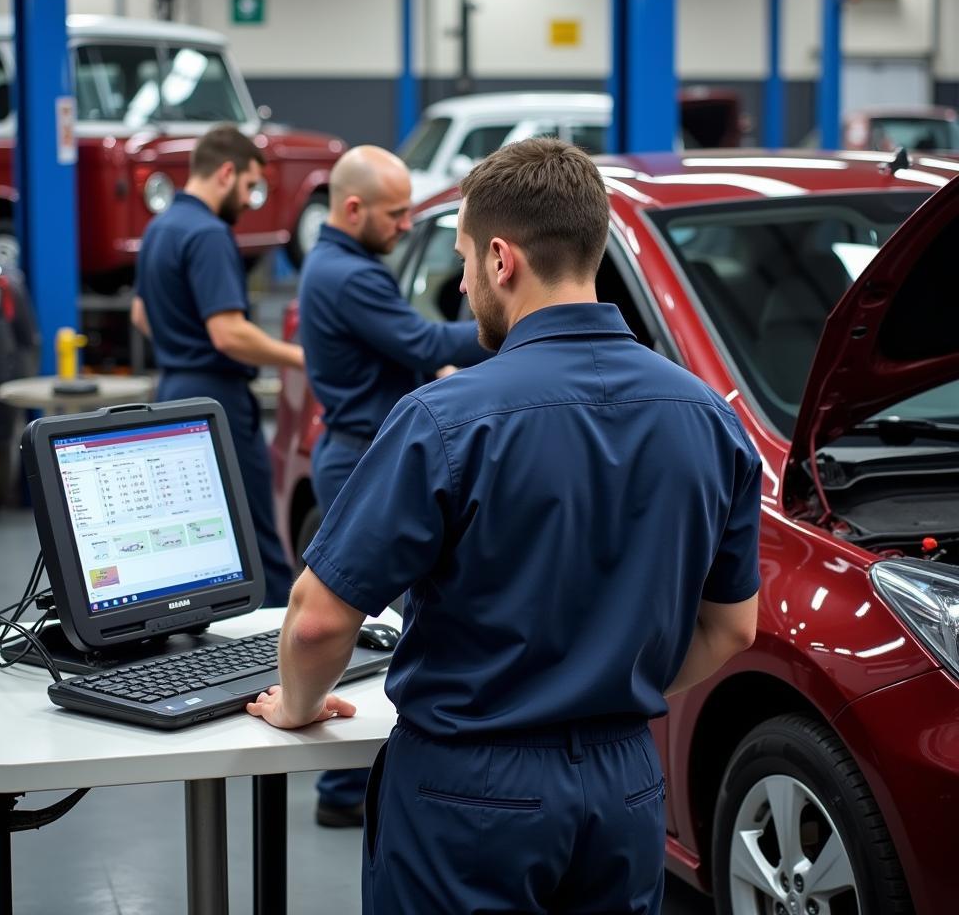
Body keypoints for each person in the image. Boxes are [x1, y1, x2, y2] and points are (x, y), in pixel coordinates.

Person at [247, 138, 760, 913]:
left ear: (499, 259)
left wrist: (295, 704)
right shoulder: (711, 421)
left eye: (460, 259)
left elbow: (318, 622)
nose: (459, 281)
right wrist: (604, 690)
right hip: (626, 788)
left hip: (469, 795)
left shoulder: (444, 422)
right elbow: (730, 631)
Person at [295, 143, 490, 827]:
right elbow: (424, 345)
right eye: (397, 212)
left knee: (378, 626)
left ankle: (350, 786)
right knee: (377, 631)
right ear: (353, 208)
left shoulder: (338, 264)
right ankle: (346, 792)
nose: (408, 225)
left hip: (354, 447)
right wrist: (521, 326)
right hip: (362, 456)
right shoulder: (350, 277)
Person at [131, 124, 303, 608]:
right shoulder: (208, 233)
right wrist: (300, 358)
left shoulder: (159, 227)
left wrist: (180, 344)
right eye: (250, 185)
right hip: (217, 401)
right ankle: (272, 650)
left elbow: (141, 314)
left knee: (192, 541)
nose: (250, 200)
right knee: (254, 536)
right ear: (226, 172)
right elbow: (228, 333)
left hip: (171, 394)